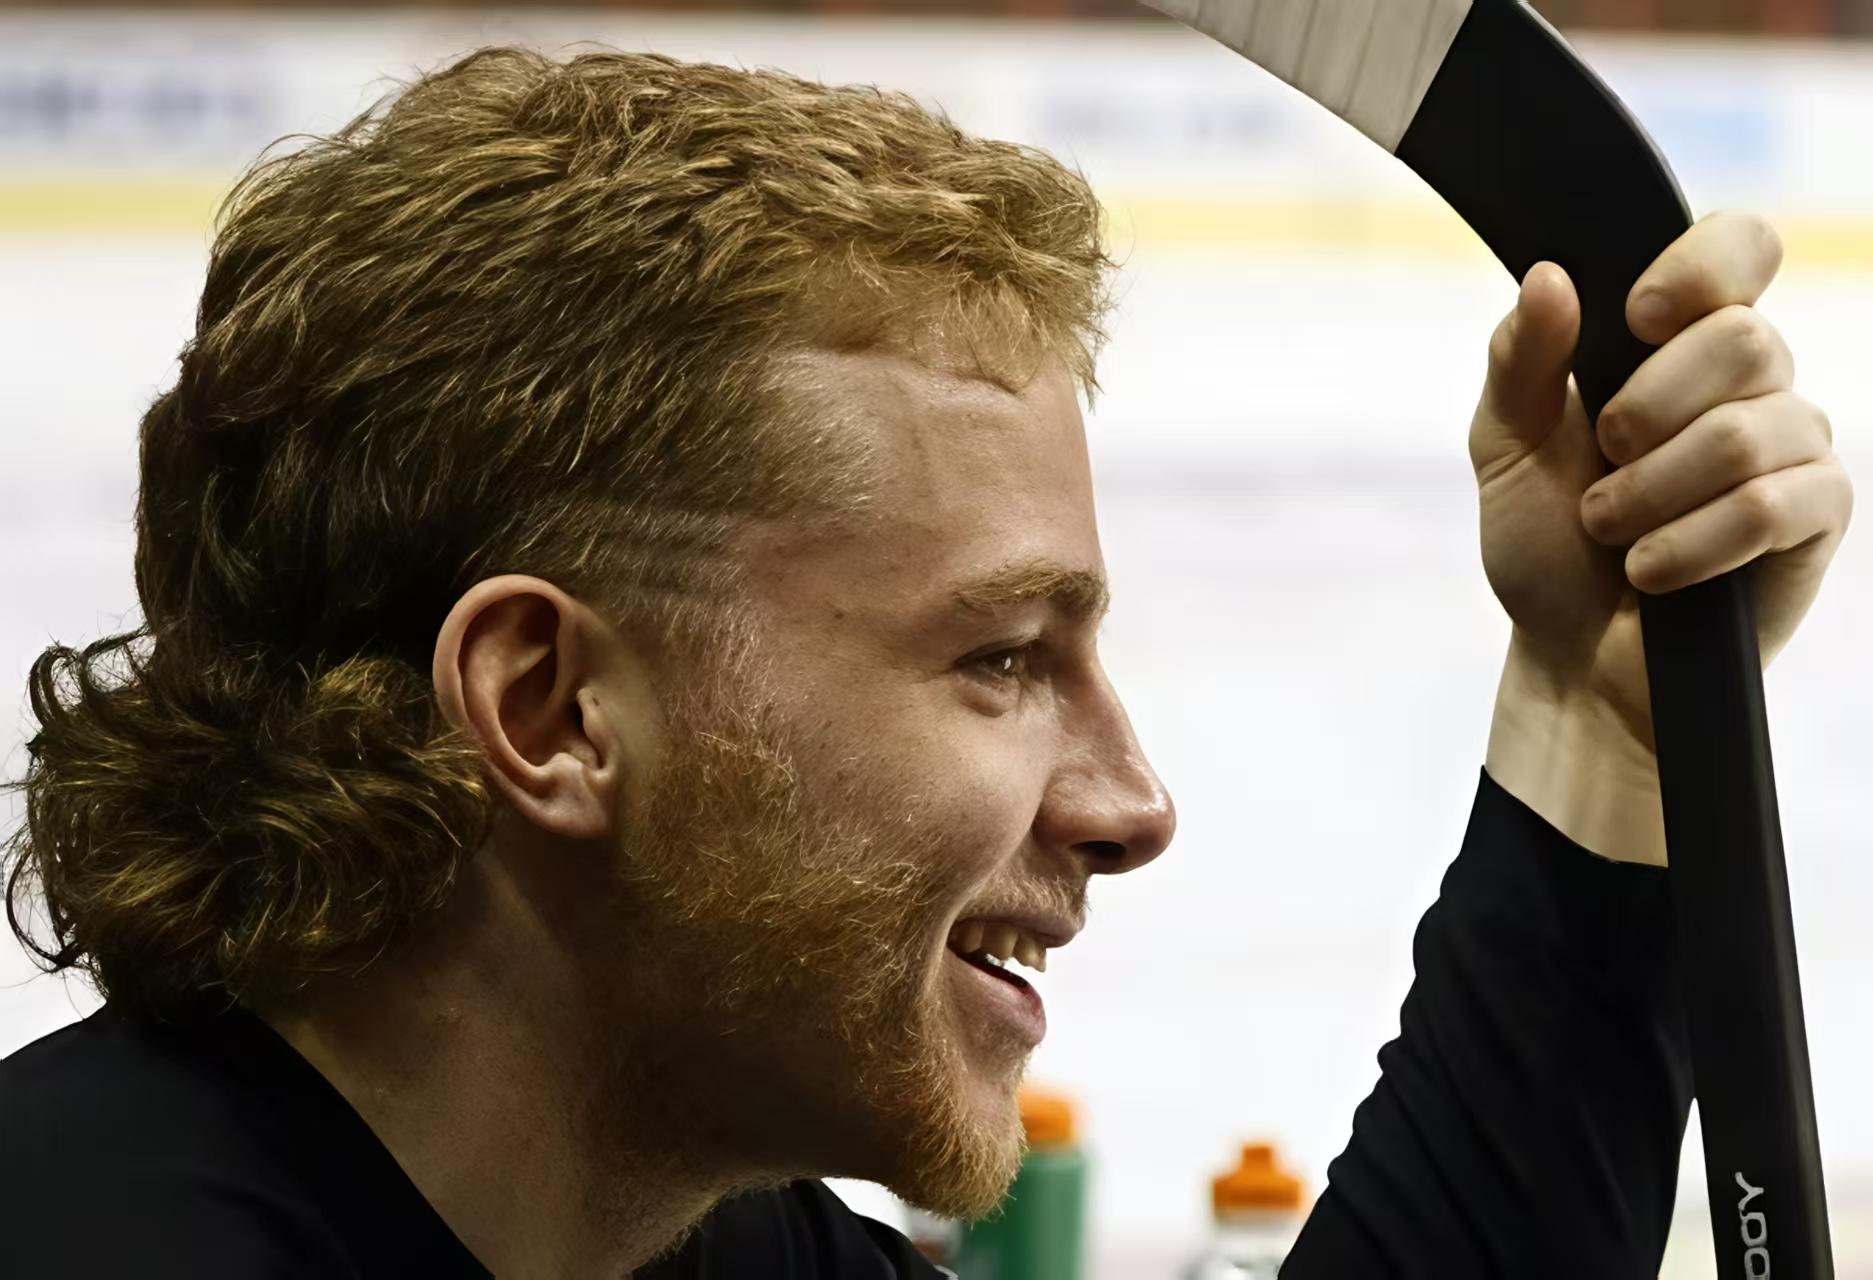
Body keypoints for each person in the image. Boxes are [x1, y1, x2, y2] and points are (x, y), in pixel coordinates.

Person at [0, 47, 1853, 1280]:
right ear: (550, 712)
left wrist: (1598, 710)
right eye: (994, 656)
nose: (1131, 804)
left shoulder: (679, 1235)